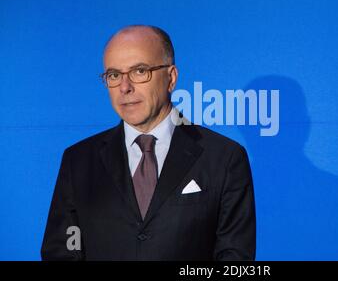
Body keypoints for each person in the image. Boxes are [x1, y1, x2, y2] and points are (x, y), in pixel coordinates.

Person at [41, 25, 256, 260]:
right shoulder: (78, 160)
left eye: (140, 71)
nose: (125, 87)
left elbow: (234, 259)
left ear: (171, 78)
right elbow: (61, 252)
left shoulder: (224, 158)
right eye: (114, 75)